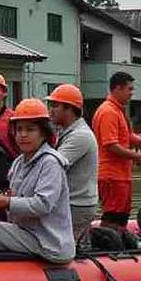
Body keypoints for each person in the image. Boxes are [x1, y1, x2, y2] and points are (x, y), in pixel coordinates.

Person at [0, 98, 75, 263]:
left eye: (30, 130)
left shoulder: (50, 163)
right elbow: (16, 195)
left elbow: (42, 205)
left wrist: (6, 202)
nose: (23, 135)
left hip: (48, 242)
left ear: (43, 133)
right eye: (19, 129)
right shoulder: (19, 162)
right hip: (28, 233)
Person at [91, 71, 141, 231]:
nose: (131, 93)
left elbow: (127, 135)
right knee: (113, 216)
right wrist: (137, 156)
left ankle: (119, 245)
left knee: (122, 215)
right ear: (117, 89)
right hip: (111, 174)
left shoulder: (117, 110)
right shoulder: (108, 112)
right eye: (129, 89)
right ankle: (107, 247)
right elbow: (111, 144)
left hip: (121, 174)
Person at [46, 83, 98, 247]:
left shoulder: (80, 136)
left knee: (61, 247)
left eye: (55, 106)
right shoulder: (68, 132)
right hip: (73, 202)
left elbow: (52, 166)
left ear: (69, 109)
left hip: (77, 205)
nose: (50, 110)